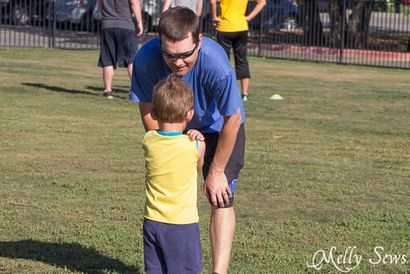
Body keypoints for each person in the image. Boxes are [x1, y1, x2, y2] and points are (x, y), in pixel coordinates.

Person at [130, 7, 245, 274]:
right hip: (174, 126)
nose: (178, 62)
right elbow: (147, 109)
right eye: (170, 55)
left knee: (221, 195)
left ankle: (219, 271)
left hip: (221, 127)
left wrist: (215, 172)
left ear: (199, 40)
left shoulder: (216, 64)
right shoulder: (146, 59)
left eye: (185, 55)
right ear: (160, 44)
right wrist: (168, 144)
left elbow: (233, 119)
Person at [142, 74, 205, 274]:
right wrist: (197, 138)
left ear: (153, 112)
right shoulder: (195, 146)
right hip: (181, 224)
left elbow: (161, 137)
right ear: (189, 114)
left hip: (152, 221)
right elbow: (198, 166)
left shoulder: (149, 140)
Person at [210, 0, 266, 101]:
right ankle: (244, 94)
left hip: (224, 27)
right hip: (241, 27)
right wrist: (248, 18)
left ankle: (224, 92)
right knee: (242, 60)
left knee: (222, 62)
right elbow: (262, 2)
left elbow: (212, 2)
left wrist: (214, 17)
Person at [97, 0, 143, 99]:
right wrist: (139, 22)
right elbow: (134, 2)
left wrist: (106, 15)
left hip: (107, 25)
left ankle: (107, 90)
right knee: (131, 58)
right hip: (126, 25)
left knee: (108, 58)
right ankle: (135, 91)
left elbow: (100, 4)